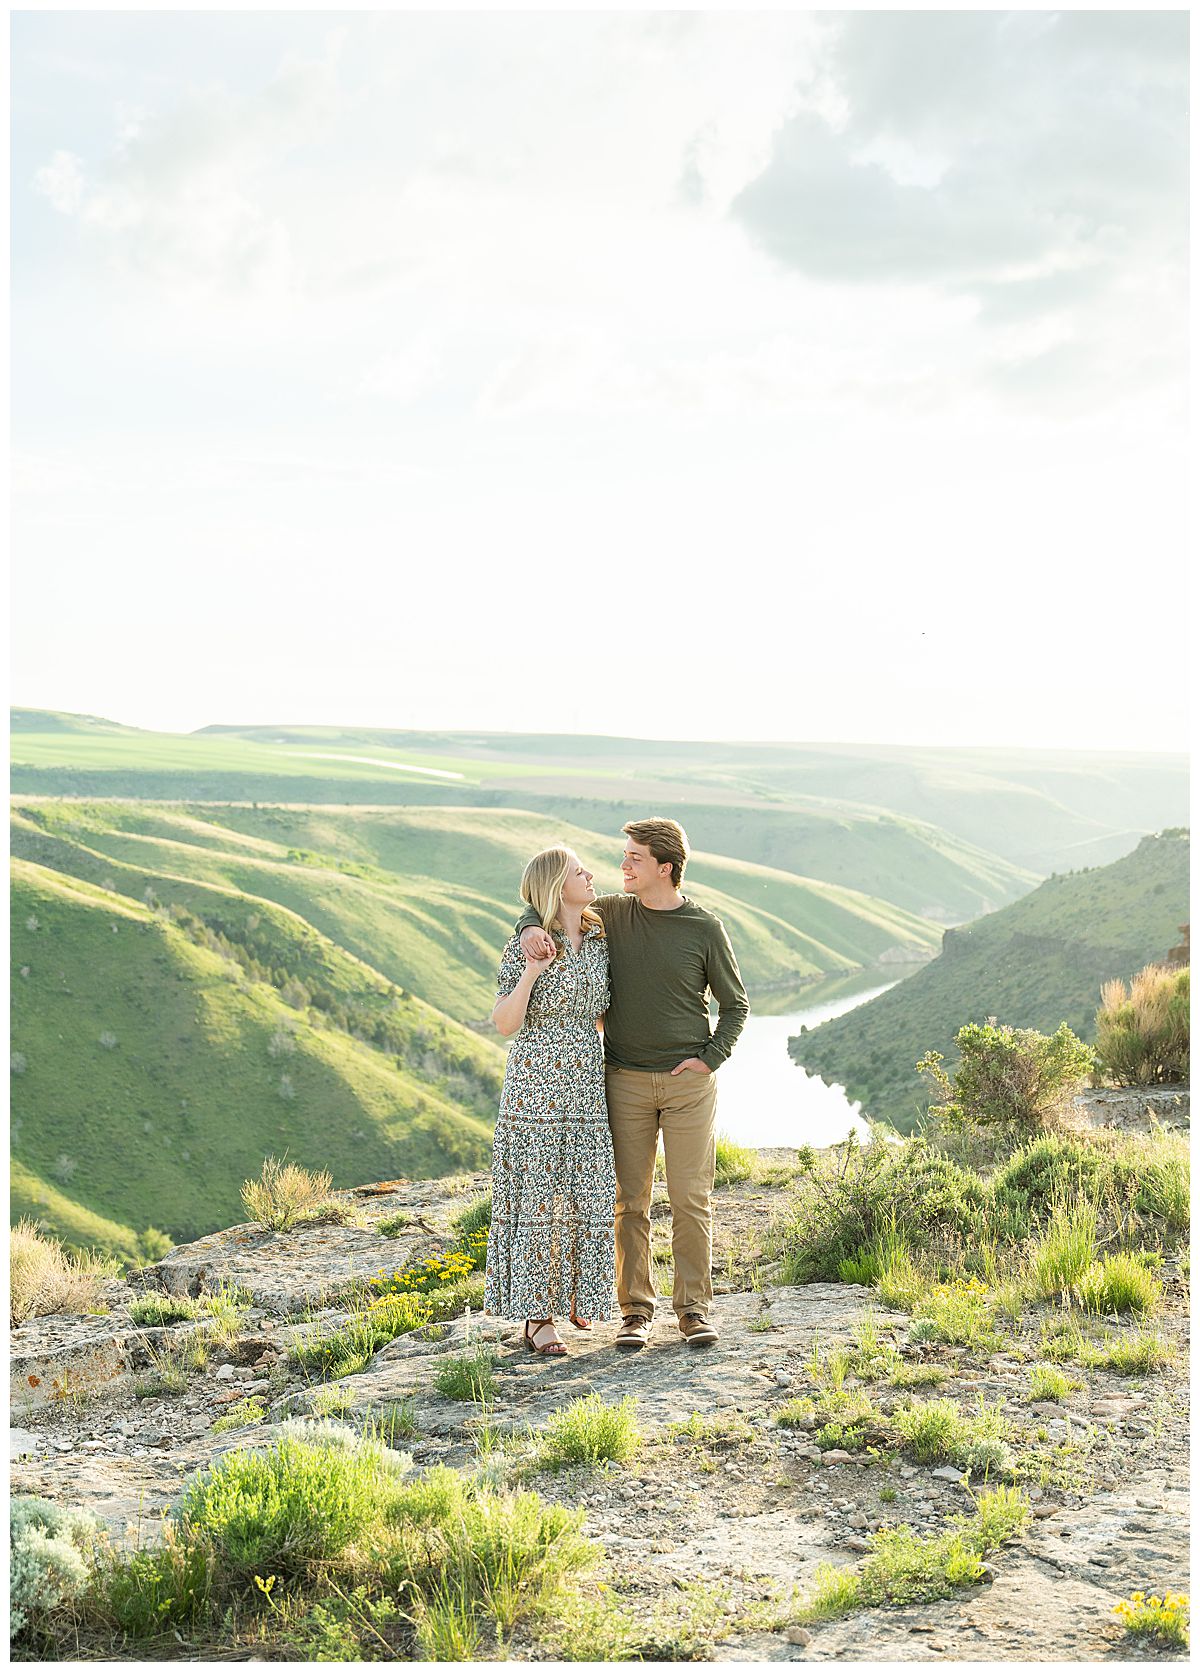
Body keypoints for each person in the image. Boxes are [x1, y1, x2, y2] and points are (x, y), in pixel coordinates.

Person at [517, 817, 748, 1351]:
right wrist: (528, 923)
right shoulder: (612, 916)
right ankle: (635, 1312)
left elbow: (736, 1005)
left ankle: (694, 1311)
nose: (623, 864)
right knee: (630, 1202)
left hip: (688, 1084)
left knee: (692, 1198)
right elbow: (550, 902)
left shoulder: (704, 928)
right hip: (622, 1079)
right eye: (624, 855)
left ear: (664, 868)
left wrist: (710, 1059)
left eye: (635, 857)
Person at [484, 846, 616, 1357]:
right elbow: (504, 1023)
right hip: (536, 1084)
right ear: (559, 885)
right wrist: (531, 972)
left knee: (587, 1191)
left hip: (586, 1079)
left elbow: (602, 1012)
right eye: (580, 870)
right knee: (540, 1197)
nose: (590, 874)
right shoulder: (529, 945)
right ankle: (538, 1317)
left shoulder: (601, 941)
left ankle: (581, 1292)